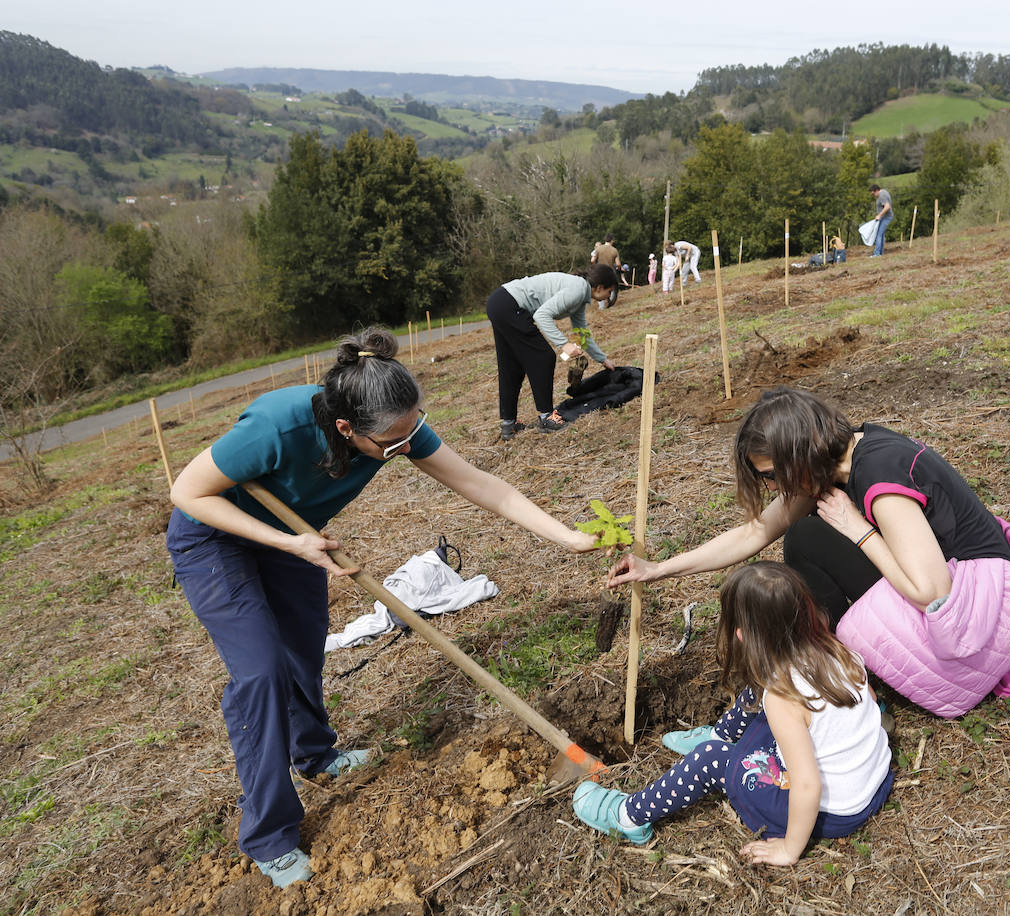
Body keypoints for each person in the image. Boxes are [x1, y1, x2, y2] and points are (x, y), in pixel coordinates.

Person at [167, 329, 600, 889]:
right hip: (216, 539)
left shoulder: (399, 425)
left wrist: (566, 538)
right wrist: (290, 544)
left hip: (298, 538)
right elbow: (187, 492)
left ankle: (316, 755)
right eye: (392, 444)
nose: (406, 447)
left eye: (412, 429)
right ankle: (269, 836)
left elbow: (482, 485)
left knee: (303, 649)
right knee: (262, 671)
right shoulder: (278, 424)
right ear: (347, 429)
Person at [608, 386, 1010, 718]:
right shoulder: (836, 462)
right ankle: (831, 675)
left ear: (798, 454)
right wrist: (659, 569)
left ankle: (837, 689)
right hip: (965, 610)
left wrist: (857, 530)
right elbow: (753, 534)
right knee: (807, 529)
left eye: (770, 475)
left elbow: (932, 591)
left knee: (809, 538)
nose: (772, 488)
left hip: (976, 629)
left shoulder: (878, 475)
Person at [573, 562, 892, 863]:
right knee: (759, 690)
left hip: (833, 812)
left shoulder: (783, 697)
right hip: (872, 781)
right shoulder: (836, 650)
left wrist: (790, 849)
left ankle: (628, 817)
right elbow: (869, 702)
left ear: (741, 635)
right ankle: (720, 735)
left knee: (711, 759)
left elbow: (808, 786)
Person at [485, 264, 618, 440]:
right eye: (609, 291)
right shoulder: (578, 289)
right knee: (543, 357)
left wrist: (603, 359)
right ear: (599, 287)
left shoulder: (580, 295)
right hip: (509, 304)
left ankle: (509, 425)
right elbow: (541, 315)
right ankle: (547, 417)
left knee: (512, 367)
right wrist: (564, 345)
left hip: (499, 302)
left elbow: (581, 332)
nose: (609, 296)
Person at [590, 235, 625, 308]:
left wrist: (596, 266)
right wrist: (618, 268)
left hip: (600, 271)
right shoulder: (614, 250)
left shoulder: (599, 248)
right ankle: (610, 305)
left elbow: (592, 260)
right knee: (611, 288)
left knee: (600, 287)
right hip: (610, 271)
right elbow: (618, 264)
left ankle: (601, 307)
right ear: (612, 240)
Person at [869, 185, 893, 256]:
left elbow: (887, 207)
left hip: (886, 217)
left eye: (873, 193)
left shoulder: (882, 195)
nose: (873, 195)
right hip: (884, 217)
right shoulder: (884, 192)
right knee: (881, 234)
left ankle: (877, 253)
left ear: (876, 190)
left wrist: (879, 215)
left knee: (878, 235)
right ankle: (880, 252)